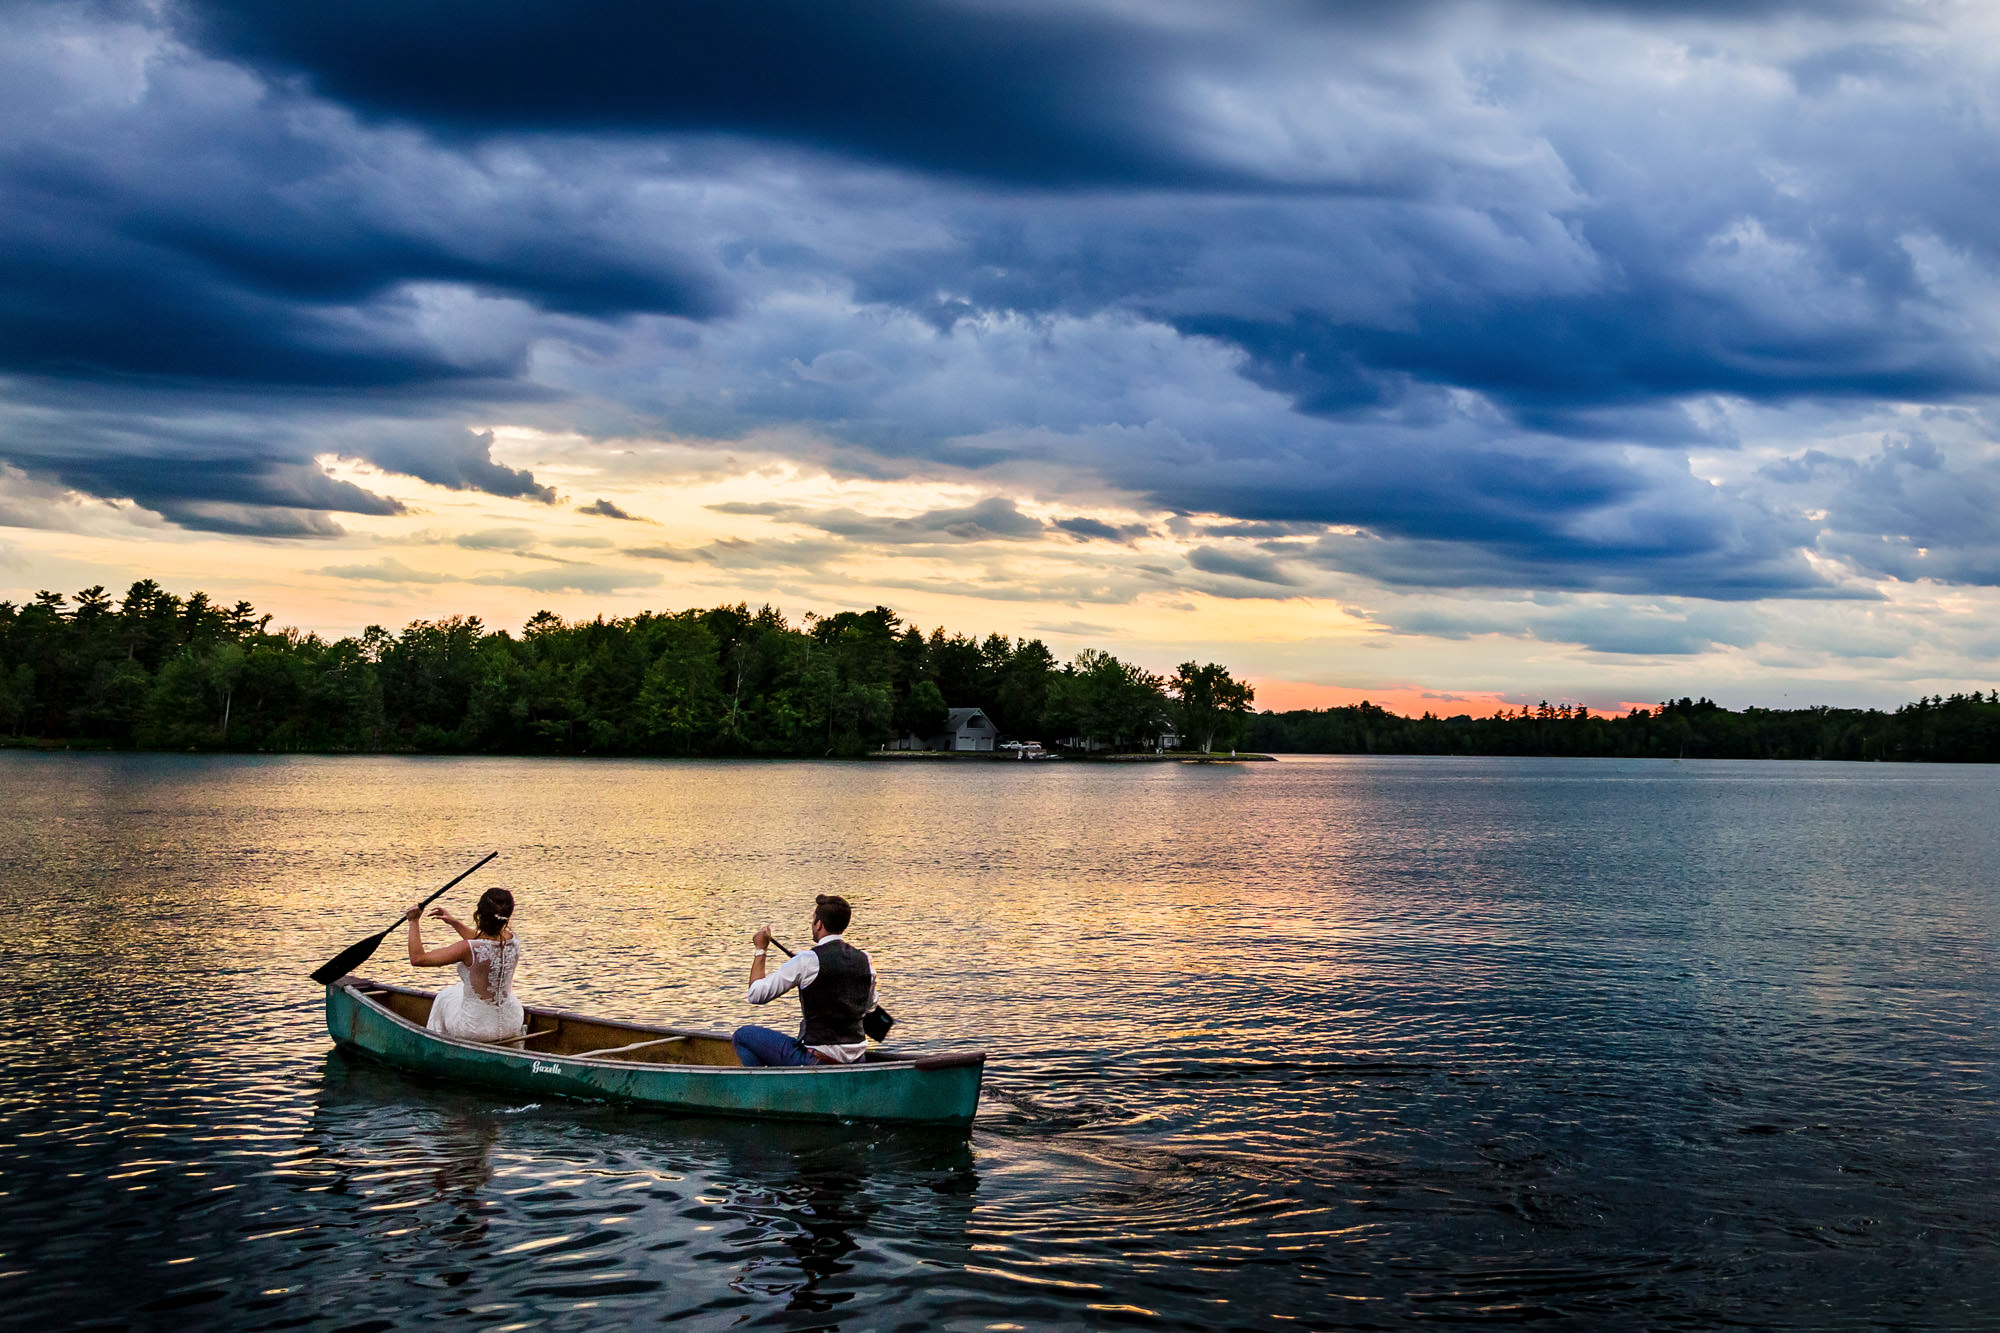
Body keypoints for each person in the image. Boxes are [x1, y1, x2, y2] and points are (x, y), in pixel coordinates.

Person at [733, 894, 877, 1067]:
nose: (812, 924)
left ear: (819, 924)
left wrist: (761, 949)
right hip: (857, 1059)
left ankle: (765, 1088)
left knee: (743, 1036)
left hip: (817, 1060)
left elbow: (756, 994)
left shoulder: (807, 960)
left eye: (813, 919)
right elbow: (870, 1006)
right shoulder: (865, 960)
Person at [405, 886, 524, 1043]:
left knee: (445, 996)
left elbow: (418, 958)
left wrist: (413, 921)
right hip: (512, 1022)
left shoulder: (467, 949)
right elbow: (484, 942)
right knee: (457, 991)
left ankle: (436, 1048)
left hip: (475, 1027)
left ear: (480, 914)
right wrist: (454, 922)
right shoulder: (513, 940)